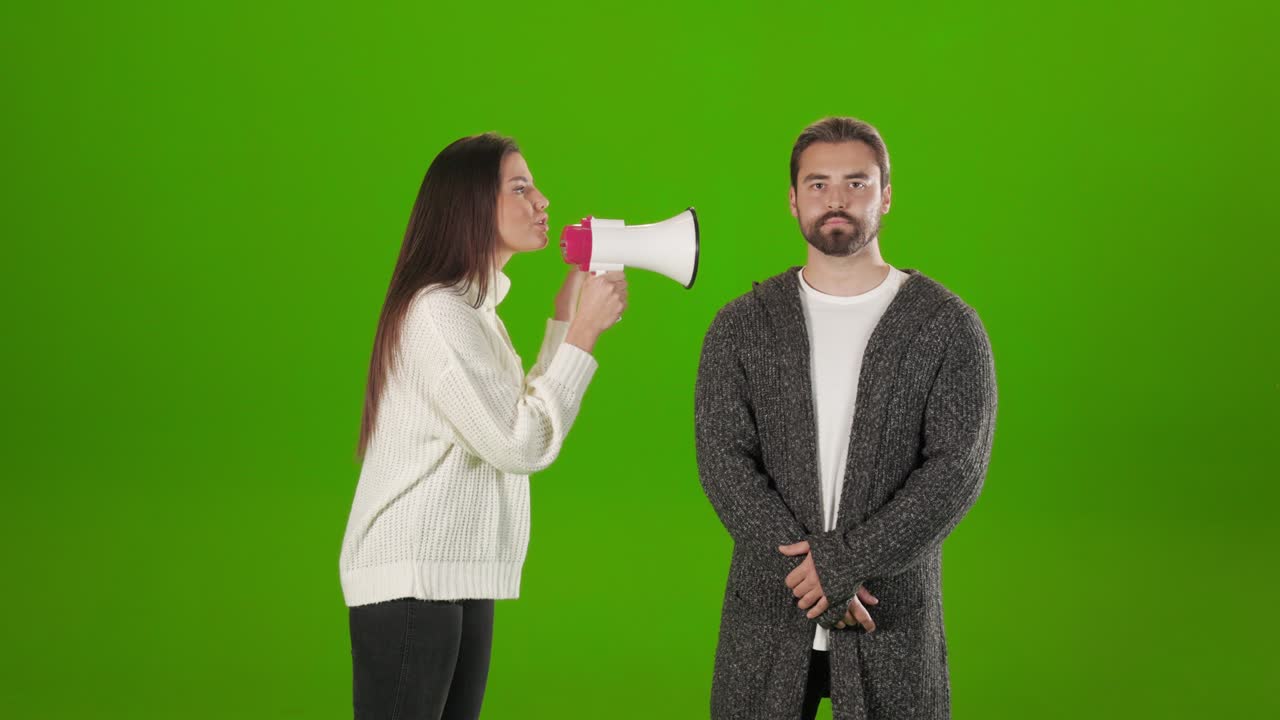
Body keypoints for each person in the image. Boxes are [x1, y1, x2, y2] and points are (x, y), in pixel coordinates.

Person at [695, 117, 997, 719]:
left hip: (889, 613)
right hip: (768, 614)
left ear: (885, 196)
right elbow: (724, 461)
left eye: (856, 183)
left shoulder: (946, 326)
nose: (836, 199)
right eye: (819, 184)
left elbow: (955, 470)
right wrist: (812, 574)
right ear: (793, 199)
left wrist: (845, 563)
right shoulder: (741, 325)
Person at [338, 132, 627, 720]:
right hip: (413, 581)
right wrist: (583, 336)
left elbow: (516, 417)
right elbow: (521, 444)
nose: (543, 201)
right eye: (520, 188)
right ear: (471, 205)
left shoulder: (474, 313)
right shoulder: (438, 312)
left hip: (453, 576)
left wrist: (564, 318)